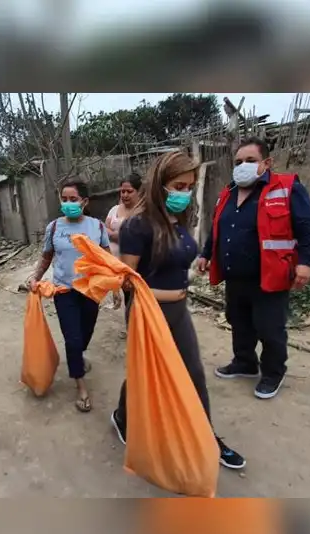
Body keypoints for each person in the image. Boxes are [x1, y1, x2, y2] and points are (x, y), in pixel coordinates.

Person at [110, 150, 246, 470]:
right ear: (161, 184)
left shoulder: (181, 223)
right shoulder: (137, 227)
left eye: (190, 187)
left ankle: (206, 435)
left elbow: (180, 260)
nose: (185, 193)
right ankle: (122, 416)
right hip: (148, 314)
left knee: (194, 373)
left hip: (179, 310)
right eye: (180, 186)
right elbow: (128, 281)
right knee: (143, 375)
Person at [196, 136, 310, 399]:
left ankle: (273, 373)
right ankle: (245, 362)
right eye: (239, 161)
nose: (243, 165)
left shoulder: (287, 187)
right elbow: (217, 228)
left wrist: (305, 263)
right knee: (238, 321)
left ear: (266, 163)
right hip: (235, 276)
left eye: (250, 161)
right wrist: (206, 254)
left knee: (269, 328)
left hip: (270, 275)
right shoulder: (227, 194)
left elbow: (309, 228)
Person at [26, 180, 110, 413]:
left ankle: (78, 356)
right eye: (64, 199)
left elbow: (107, 258)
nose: (68, 203)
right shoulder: (54, 227)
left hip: (91, 290)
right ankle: (81, 386)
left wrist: (116, 287)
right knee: (72, 339)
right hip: (64, 291)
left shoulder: (97, 227)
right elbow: (46, 257)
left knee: (85, 334)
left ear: (85, 202)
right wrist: (35, 277)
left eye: (73, 199)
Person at [105, 173, 142, 320]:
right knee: (128, 297)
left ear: (139, 192)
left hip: (137, 264)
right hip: (117, 264)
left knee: (138, 298)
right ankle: (132, 329)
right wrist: (118, 236)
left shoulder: (143, 211)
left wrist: (118, 235)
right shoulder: (114, 210)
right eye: (122, 191)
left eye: (129, 191)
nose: (125, 194)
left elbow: (139, 237)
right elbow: (104, 229)